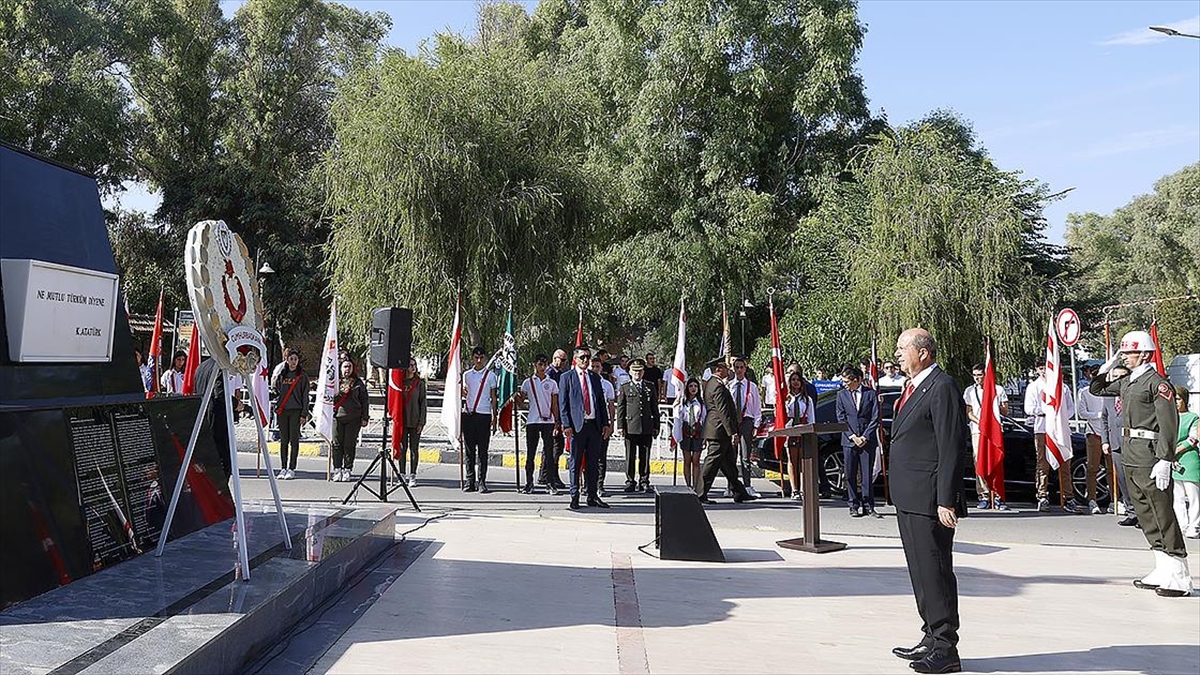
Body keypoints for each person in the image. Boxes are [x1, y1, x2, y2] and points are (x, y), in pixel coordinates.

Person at [888, 328, 966, 674]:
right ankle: (931, 636)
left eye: (903, 348)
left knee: (935, 571)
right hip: (909, 495)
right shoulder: (913, 387)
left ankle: (947, 648)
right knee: (920, 571)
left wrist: (946, 499)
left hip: (930, 497)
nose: (898, 353)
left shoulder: (942, 386)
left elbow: (951, 445)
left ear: (924, 352)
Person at [1089, 330, 1190, 597]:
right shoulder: (1128, 381)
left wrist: (1165, 459)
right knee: (1145, 513)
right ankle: (1162, 567)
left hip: (1149, 454)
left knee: (1162, 513)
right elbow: (1097, 389)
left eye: (1130, 353)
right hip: (1131, 454)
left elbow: (1169, 424)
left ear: (1145, 354)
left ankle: (1179, 573)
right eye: (1123, 353)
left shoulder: (1158, 384)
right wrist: (1106, 367)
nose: (1125, 357)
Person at [697, 357, 757, 505]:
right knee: (711, 463)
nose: (729, 370)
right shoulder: (716, 385)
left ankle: (739, 492)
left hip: (720, 430)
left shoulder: (714, 384)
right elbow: (723, 411)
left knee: (729, 464)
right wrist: (733, 433)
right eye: (726, 368)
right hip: (718, 431)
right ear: (718, 369)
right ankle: (700, 493)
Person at [558, 346, 611, 509]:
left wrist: (605, 423)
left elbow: (601, 402)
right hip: (576, 427)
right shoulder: (567, 377)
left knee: (593, 462)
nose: (586, 360)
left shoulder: (595, 377)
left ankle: (593, 496)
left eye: (588, 357)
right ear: (575, 359)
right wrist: (566, 424)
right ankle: (574, 496)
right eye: (582, 357)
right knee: (575, 462)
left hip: (594, 426)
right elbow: (563, 403)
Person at [1025, 363, 1079, 513]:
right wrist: (1047, 411)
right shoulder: (1034, 387)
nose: (1043, 372)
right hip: (1042, 429)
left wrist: (1058, 417)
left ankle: (1068, 497)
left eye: (1045, 368)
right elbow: (1028, 408)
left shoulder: (1062, 387)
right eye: (1040, 369)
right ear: (1037, 370)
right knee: (1042, 463)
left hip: (1059, 429)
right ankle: (1042, 495)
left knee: (1065, 461)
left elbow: (1070, 409)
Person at [963, 362, 1011, 511]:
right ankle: (983, 494)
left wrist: (997, 408)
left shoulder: (998, 389)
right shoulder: (970, 391)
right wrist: (982, 422)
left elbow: (1005, 411)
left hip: (994, 430)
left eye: (980, 375)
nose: (977, 379)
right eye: (975, 376)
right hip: (978, 430)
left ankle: (997, 494)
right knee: (979, 461)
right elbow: (969, 412)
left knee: (996, 461)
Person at [837, 366, 881, 518]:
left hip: (867, 441)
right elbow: (841, 418)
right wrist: (853, 436)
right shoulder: (841, 395)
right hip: (849, 441)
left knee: (867, 474)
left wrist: (865, 436)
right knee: (850, 473)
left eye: (847, 381)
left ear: (857, 380)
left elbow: (875, 418)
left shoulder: (871, 394)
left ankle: (868, 506)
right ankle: (853, 505)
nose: (845, 384)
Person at [194, 356, 244, 481]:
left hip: (203, 419)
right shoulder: (220, 367)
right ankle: (219, 496)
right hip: (217, 422)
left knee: (206, 463)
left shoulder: (201, 367)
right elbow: (220, 393)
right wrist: (237, 404)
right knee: (224, 463)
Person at [617, 358, 660, 493]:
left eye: (640, 371)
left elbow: (654, 408)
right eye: (635, 371)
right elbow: (621, 408)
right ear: (630, 372)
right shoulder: (625, 387)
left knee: (645, 456)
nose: (637, 374)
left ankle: (644, 481)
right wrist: (620, 426)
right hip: (630, 426)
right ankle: (630, 481)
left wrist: (656, 426)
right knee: (630, 456)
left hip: (646, 426)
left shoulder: (650, 386)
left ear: (643, 372)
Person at [519, 354, 560, 494]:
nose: (542, 367)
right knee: (531, 453)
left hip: (548, 421)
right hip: (532, 421)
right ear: (535, 365)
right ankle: (529, 483)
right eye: (539, 364)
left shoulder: (552, 383)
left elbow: (555, 404)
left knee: (549, 454)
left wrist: (557, 422)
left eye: (544, 365)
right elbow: (521, 402)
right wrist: (516, 396)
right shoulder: (528, 382)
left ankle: (550, 483)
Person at [462, 346, 498, 493]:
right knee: (469, 451)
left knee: (483, 451)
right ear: (472, 358)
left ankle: (482, 481)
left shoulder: (491, 376)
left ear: (485, 358)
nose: (478, 360)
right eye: (476, 357)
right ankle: (470, 481)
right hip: (469, 414)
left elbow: (494, 398)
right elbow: (462, 393)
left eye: (481, 357)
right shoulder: (466, 375)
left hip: (484, 415)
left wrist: (495, 417)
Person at [1076, 362, 1110, 515]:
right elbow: (1082, 413)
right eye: (1094, 373)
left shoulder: (1109, 391)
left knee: (1112, 468)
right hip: (1093, 433)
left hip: (1109, 433)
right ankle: (1092, 499)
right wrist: (1098, 416)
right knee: (1092, 468)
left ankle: (1115, 500)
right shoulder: (1084, 392)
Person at [272, 348, 310, 480]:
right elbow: (275, 389)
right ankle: (283, 467)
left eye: (295, 359)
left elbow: (305, 396)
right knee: (283, 440)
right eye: (291, 359)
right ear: (286, 361)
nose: (293, 362)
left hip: (296, 410)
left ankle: (292, 468)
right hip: (283, 410)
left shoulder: (302, 376)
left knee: (294, 440)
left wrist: (304, 414)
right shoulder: (282, 375)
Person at [728, 357, 762, 497]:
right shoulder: (729, 385)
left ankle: (747, 485)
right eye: (737, 367)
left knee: (745, 456)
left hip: (747, 421)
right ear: (734, 369)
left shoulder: (751, 386)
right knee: (731, 455)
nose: (739, 370)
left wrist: (756, 425)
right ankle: (731, 487)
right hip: (733, 422)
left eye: (742, 367)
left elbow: (756, 407)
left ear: (745, 369)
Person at [331, 359, 369, 482]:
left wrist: (365, 417)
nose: (347, 369)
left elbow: (364, 400)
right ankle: (337, 468)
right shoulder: (335, 381)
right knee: (336, 444)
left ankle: (347, 469)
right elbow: (327, 396)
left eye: (349, 367)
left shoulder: (358, 383)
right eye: (345, 367)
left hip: (353, 417)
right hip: (337, 416)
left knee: (349, 444)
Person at [1170, 385, 1199, 539]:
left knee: (1193, 496)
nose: (1176, 402)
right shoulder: (1170, 417)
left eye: (1178, 399)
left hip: (1188, 459)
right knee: (1178, 496)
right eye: (1173, 399)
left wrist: (1176, 450)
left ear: (1185, 400)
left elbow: (1193, 439)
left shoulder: (1193, 417)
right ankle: (1182, 524)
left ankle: (1195, 525)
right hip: (1174, 462)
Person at [782, 371, 815, 502]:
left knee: (802, 461)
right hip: (790, 429)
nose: (795, 382)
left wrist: (811, 432)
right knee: (792, 460)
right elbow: (781, 416)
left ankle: (803, 488)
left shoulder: (807, 399)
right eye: (793, 380)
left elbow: (812, 417)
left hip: (803, 429)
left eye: (798, 380)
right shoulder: (786, 399)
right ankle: (794, 489)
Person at [541, 349, 571, 491]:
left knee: (552, 446)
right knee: (555, 446)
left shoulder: (560, 373)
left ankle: (545, 473)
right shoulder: (549, 373)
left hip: (557, 413)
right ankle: (551, 475)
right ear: (555, 358)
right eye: (563, 360)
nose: (564, 363)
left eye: (565, 361)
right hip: (552, 414)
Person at [398, 358, 428, 486]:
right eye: (410, 365)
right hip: (402, 421)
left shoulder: (419, 384)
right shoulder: (400, 382)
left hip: (415, 421)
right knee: (402, 449)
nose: (413, 367)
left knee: (414, 449)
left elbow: (423, 403)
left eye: (414, 365)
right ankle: (402, 474)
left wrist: (421, 422)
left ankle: (413, 475)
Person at [673, 377, 706, 493]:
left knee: (696, 460)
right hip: (686, 431)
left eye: (695, 386)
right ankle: (688, 484)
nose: (693, 388)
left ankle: (696, 486)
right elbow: (678, 416)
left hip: (697, 432)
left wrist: (704, 437)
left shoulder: (701, 404)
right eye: (691, 386)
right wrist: (677, 403)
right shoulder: (683, 402)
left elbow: (704, 419)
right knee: (687, 460)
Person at [593, 355, 618, 496]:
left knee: (601, 457)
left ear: (601, 368)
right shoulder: (586, 382)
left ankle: (600, 485)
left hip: (603, 424)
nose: (595, 369)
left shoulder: (607, 385)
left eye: (597, 366)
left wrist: (611, 423)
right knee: (590, 457)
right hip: (589, 424)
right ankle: (588, 485)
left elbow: (611, 406)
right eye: (593, 367)